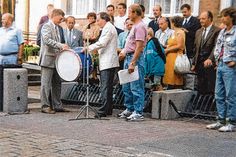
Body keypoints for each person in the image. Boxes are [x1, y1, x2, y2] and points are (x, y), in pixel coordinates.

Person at [83, 12, 119, 118]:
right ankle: (108, 109)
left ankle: (103, 110)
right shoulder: (108, 27)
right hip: (108, 61)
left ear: (104, 19)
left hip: (108, 61)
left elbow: (102, 43)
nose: (97, 22)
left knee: (105, 87)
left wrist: (88, 48)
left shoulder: (108, 28)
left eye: (98, 20)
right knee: (108, 87)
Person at [206, 7, 236, 132]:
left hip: (230, 67)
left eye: (224, 16)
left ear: (231, 17)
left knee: (231, 95)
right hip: (220, 65)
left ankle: (231, 122)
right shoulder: (222, 32)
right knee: (219, 94)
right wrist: (216, 61)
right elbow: (217, 47)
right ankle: (220, 120)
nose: (222, 18)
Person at [118, 4, 147, 121]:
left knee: (136, 86)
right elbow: (131, 44)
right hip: (128, 57)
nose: (128, 14)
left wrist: (133, 62)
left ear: (135, 13)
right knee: (127, 86)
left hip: (135, 59)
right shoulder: (135, 26)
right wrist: (124, 52)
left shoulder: (140, 26)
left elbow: (139, 46)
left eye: (129, 12)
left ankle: (138, 111)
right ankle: (129, 108)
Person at [39, 9, 69, 114]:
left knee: (57, 84)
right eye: (60, 18)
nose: (61, 20)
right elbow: (47, 40)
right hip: (47, 59)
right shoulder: (46, 26)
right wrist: (61, 45)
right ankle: (45, 106)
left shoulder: (58, 28)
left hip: (57, 60)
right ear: (55, 16)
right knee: (45, 84)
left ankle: (57, 105)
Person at [191, 11, 220, 95]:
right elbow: (195, 48)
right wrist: (194, 63)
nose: (201, 21)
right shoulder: (198, 31)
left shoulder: (217, 31)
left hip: (210, 64)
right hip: (199, 65)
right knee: (200, 88)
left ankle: (209, 107)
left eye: (203, 19)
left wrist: (210, 59)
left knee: (210, 88)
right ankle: (200, 107)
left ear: (210, 19)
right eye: (200, 19)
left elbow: (216, 47)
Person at [163, 16, 185, 89]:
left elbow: (179, 45)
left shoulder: (180, 32)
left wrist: (167, 50)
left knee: (175, 80)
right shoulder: (174, 32)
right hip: (169, 58)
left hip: (175, 58)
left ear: (174, 23)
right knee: (169, 80)